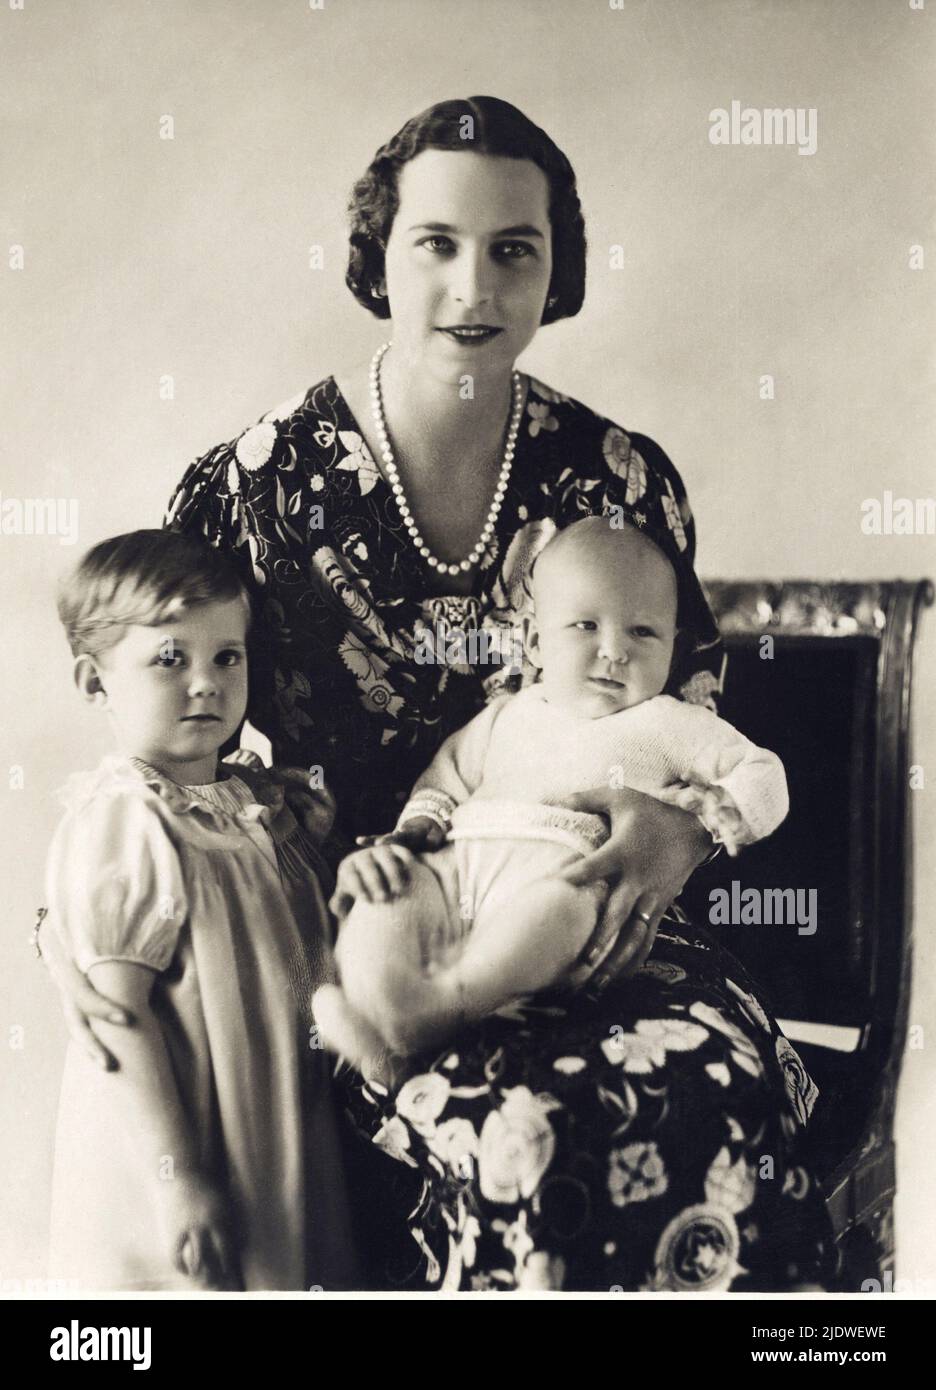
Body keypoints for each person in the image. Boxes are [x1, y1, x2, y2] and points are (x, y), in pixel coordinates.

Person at [38, 95, 838, 1292]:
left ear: (556, 271)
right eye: (438, 244)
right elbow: (160, 730)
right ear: (378, 257)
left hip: (592, 916)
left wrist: (672, 831)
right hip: (353, 929)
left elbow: (698, 710)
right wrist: (86, 920)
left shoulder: (615, 478)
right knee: (508, 1130)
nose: (476, 283)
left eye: (515, 249)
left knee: (685, 1093)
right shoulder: (256, 487)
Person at [314, 516, 791, 1072]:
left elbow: (763, 771)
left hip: (564, 874)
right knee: (388, 899)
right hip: (457, 865)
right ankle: (377, 1018)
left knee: (564, 910)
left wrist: (724, 812)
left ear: (672, 648)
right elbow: (446, 777)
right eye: (586, 626)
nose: (614, 651)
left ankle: (444, 1008)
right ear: (536, 641)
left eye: (643, 632)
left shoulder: (669, 722)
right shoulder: (505, 715)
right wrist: (418, 823)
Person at [44, 529, 354, 1291]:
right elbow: (118, 1018)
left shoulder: (256, 804)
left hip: (273, 1108)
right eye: (169, 659)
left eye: (226, 657)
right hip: (185, 1129)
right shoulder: (129, 818)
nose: (206, 683)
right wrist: (175, 1177)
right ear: (95, 682)